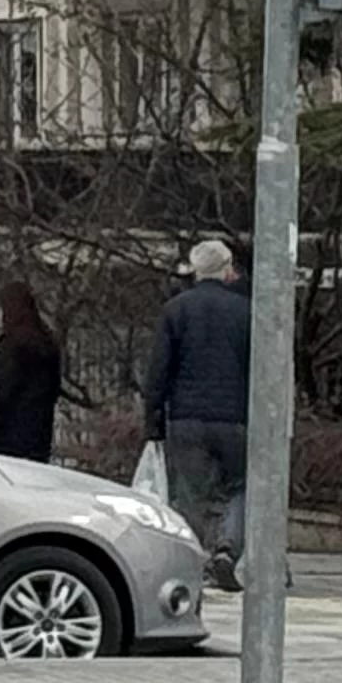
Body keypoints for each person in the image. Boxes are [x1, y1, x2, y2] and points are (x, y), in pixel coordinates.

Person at [146, 236, 251, 589]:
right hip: (235, 416)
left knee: (192, 493)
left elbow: (159, 369)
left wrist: (154, 420)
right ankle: (227, 549)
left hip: (187, 416)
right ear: (227, 270)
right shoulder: (245, 312)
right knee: (241, 486)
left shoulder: (175, 310)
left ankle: (191, 561)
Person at [0, 281, 64, 463]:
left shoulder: (13, 345)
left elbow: (3, 390)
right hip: (40, 434)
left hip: (9, 437)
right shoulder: (48, 341)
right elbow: (55, 388)